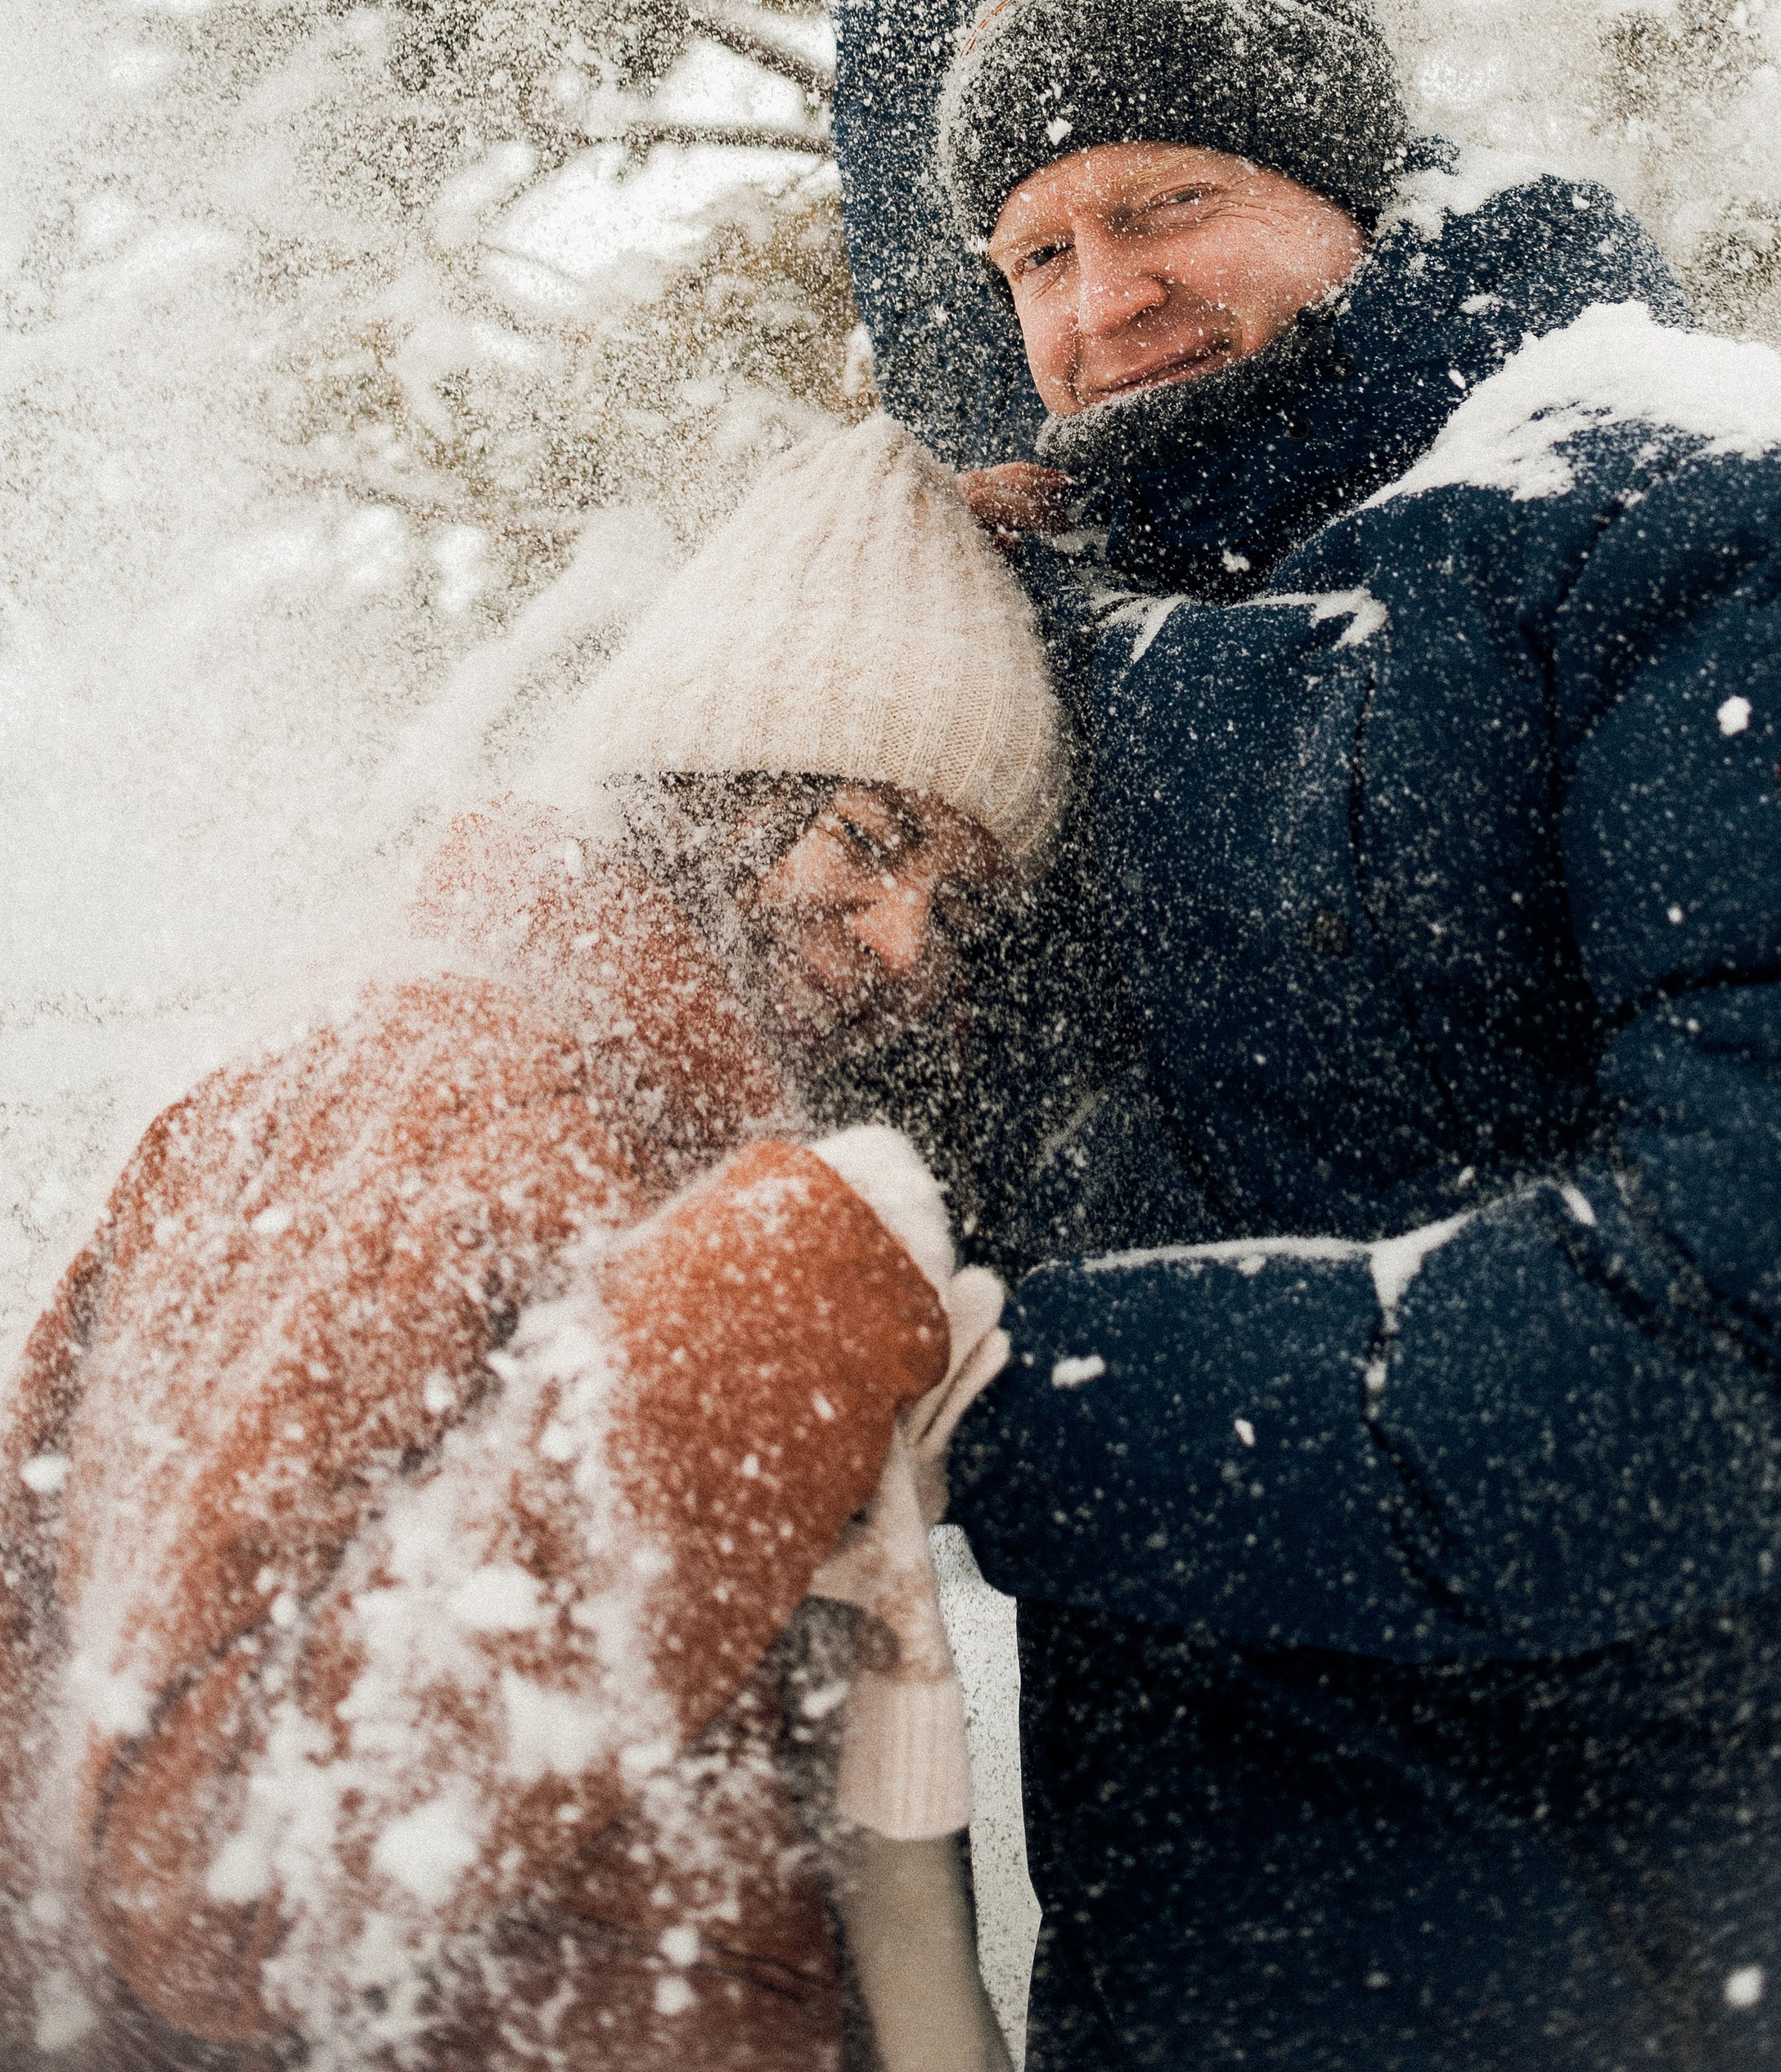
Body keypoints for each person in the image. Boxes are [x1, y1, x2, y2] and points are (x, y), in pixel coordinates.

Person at [825, 0, 1781, 2069]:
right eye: (1032, 254)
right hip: (1227, 1983)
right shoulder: (1067, 657)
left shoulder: (1711, 524)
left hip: (1753, 1974)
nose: (1099, 300)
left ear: (1352, 187)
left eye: (1167, 203)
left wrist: (1035, 1414)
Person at [0, 415, 1059, 2072]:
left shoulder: (638, 1142)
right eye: (864, 835)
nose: (903, 937)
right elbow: (216, 1873)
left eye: (958, 896)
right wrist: (767, 1323)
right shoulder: (410, 1086)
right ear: (708, 788)